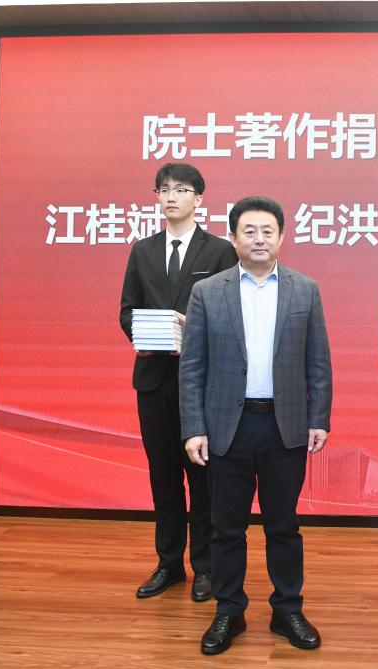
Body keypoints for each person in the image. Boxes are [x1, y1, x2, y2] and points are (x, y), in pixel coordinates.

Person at [180, 195, 332, 655]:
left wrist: (319, 418)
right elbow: (192, 366)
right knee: (226, 527)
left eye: (268, 231)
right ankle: (229, 610)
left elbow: (318, 362)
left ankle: (287, 608)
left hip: (286, 426)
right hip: (228, 427)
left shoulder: (305, 289)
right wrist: (194, 427)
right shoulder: (208, 291)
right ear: (232, 238)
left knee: (283, 525)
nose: (259, 239)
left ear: (282, 237)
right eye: (249, 231)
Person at [119, 162, 237, 602]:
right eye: (164, 189)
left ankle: (205, 566)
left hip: (202, 384)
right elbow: (127, 310)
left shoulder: (220, 251)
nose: (171, 196)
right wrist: (144, 335)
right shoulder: (142, 250)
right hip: (154, 380)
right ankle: (169, 563)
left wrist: (192, 332)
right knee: (163, 476)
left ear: (199, 198)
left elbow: (230, 313)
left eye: (181, 189)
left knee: (202, 478)